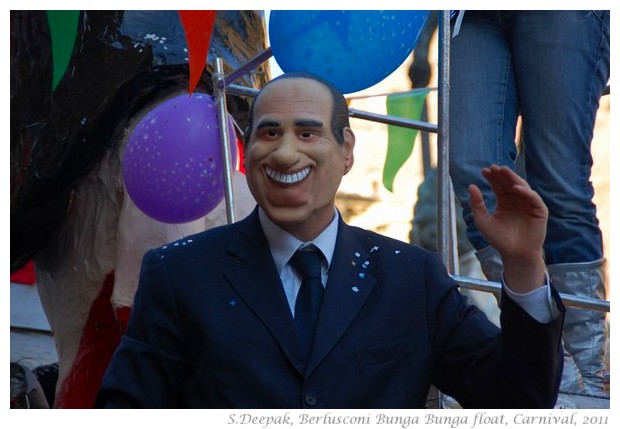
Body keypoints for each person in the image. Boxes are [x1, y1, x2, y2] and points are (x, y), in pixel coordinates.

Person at [96, 72, 564, 408]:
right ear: (248, 151)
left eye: (307, 132)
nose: (284, 151)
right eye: (269, 132)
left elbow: (517, 400)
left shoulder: (412, 277)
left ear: (347, 151)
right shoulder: (178, 273)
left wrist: (523, 264)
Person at [448, 11, 610, 397]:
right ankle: (554, 366)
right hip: (468, 14)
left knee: (557, 178)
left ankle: (589, 378)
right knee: (474, 171)